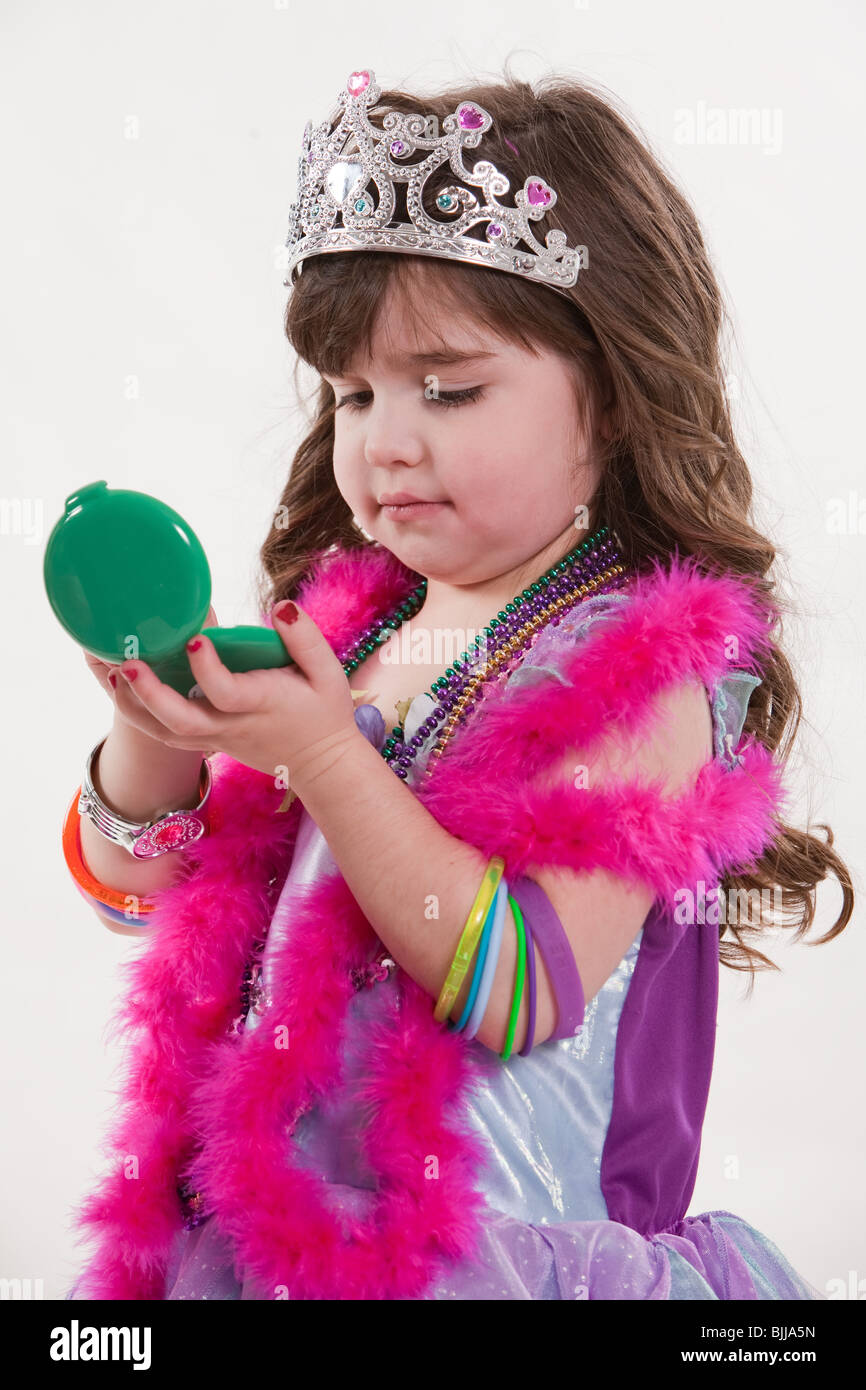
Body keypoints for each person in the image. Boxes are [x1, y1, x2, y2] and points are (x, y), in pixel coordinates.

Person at [62, 66, 852, 1300]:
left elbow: (517, 986)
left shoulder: (633, 674)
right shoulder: (352, 630)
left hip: (480, 1265)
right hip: (271, 1253)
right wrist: (147, 721)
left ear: (610, 396)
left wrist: (330, 758)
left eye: (447, 388)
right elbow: (142, 896)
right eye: (352, 393)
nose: (383, 438)